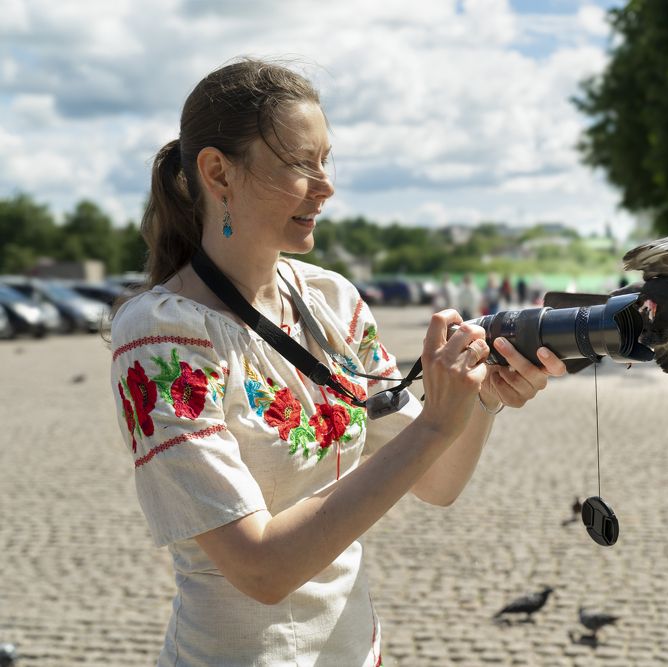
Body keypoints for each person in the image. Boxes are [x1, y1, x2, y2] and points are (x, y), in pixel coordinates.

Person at [109, 59, 566, 667]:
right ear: (218, 172)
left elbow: (437, 481)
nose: (325, 186)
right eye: (301, 164)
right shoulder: (162, 337)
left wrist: (477, 394)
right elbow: (262, 569)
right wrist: (435, 422)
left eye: (326, 160)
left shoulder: (331, 302)